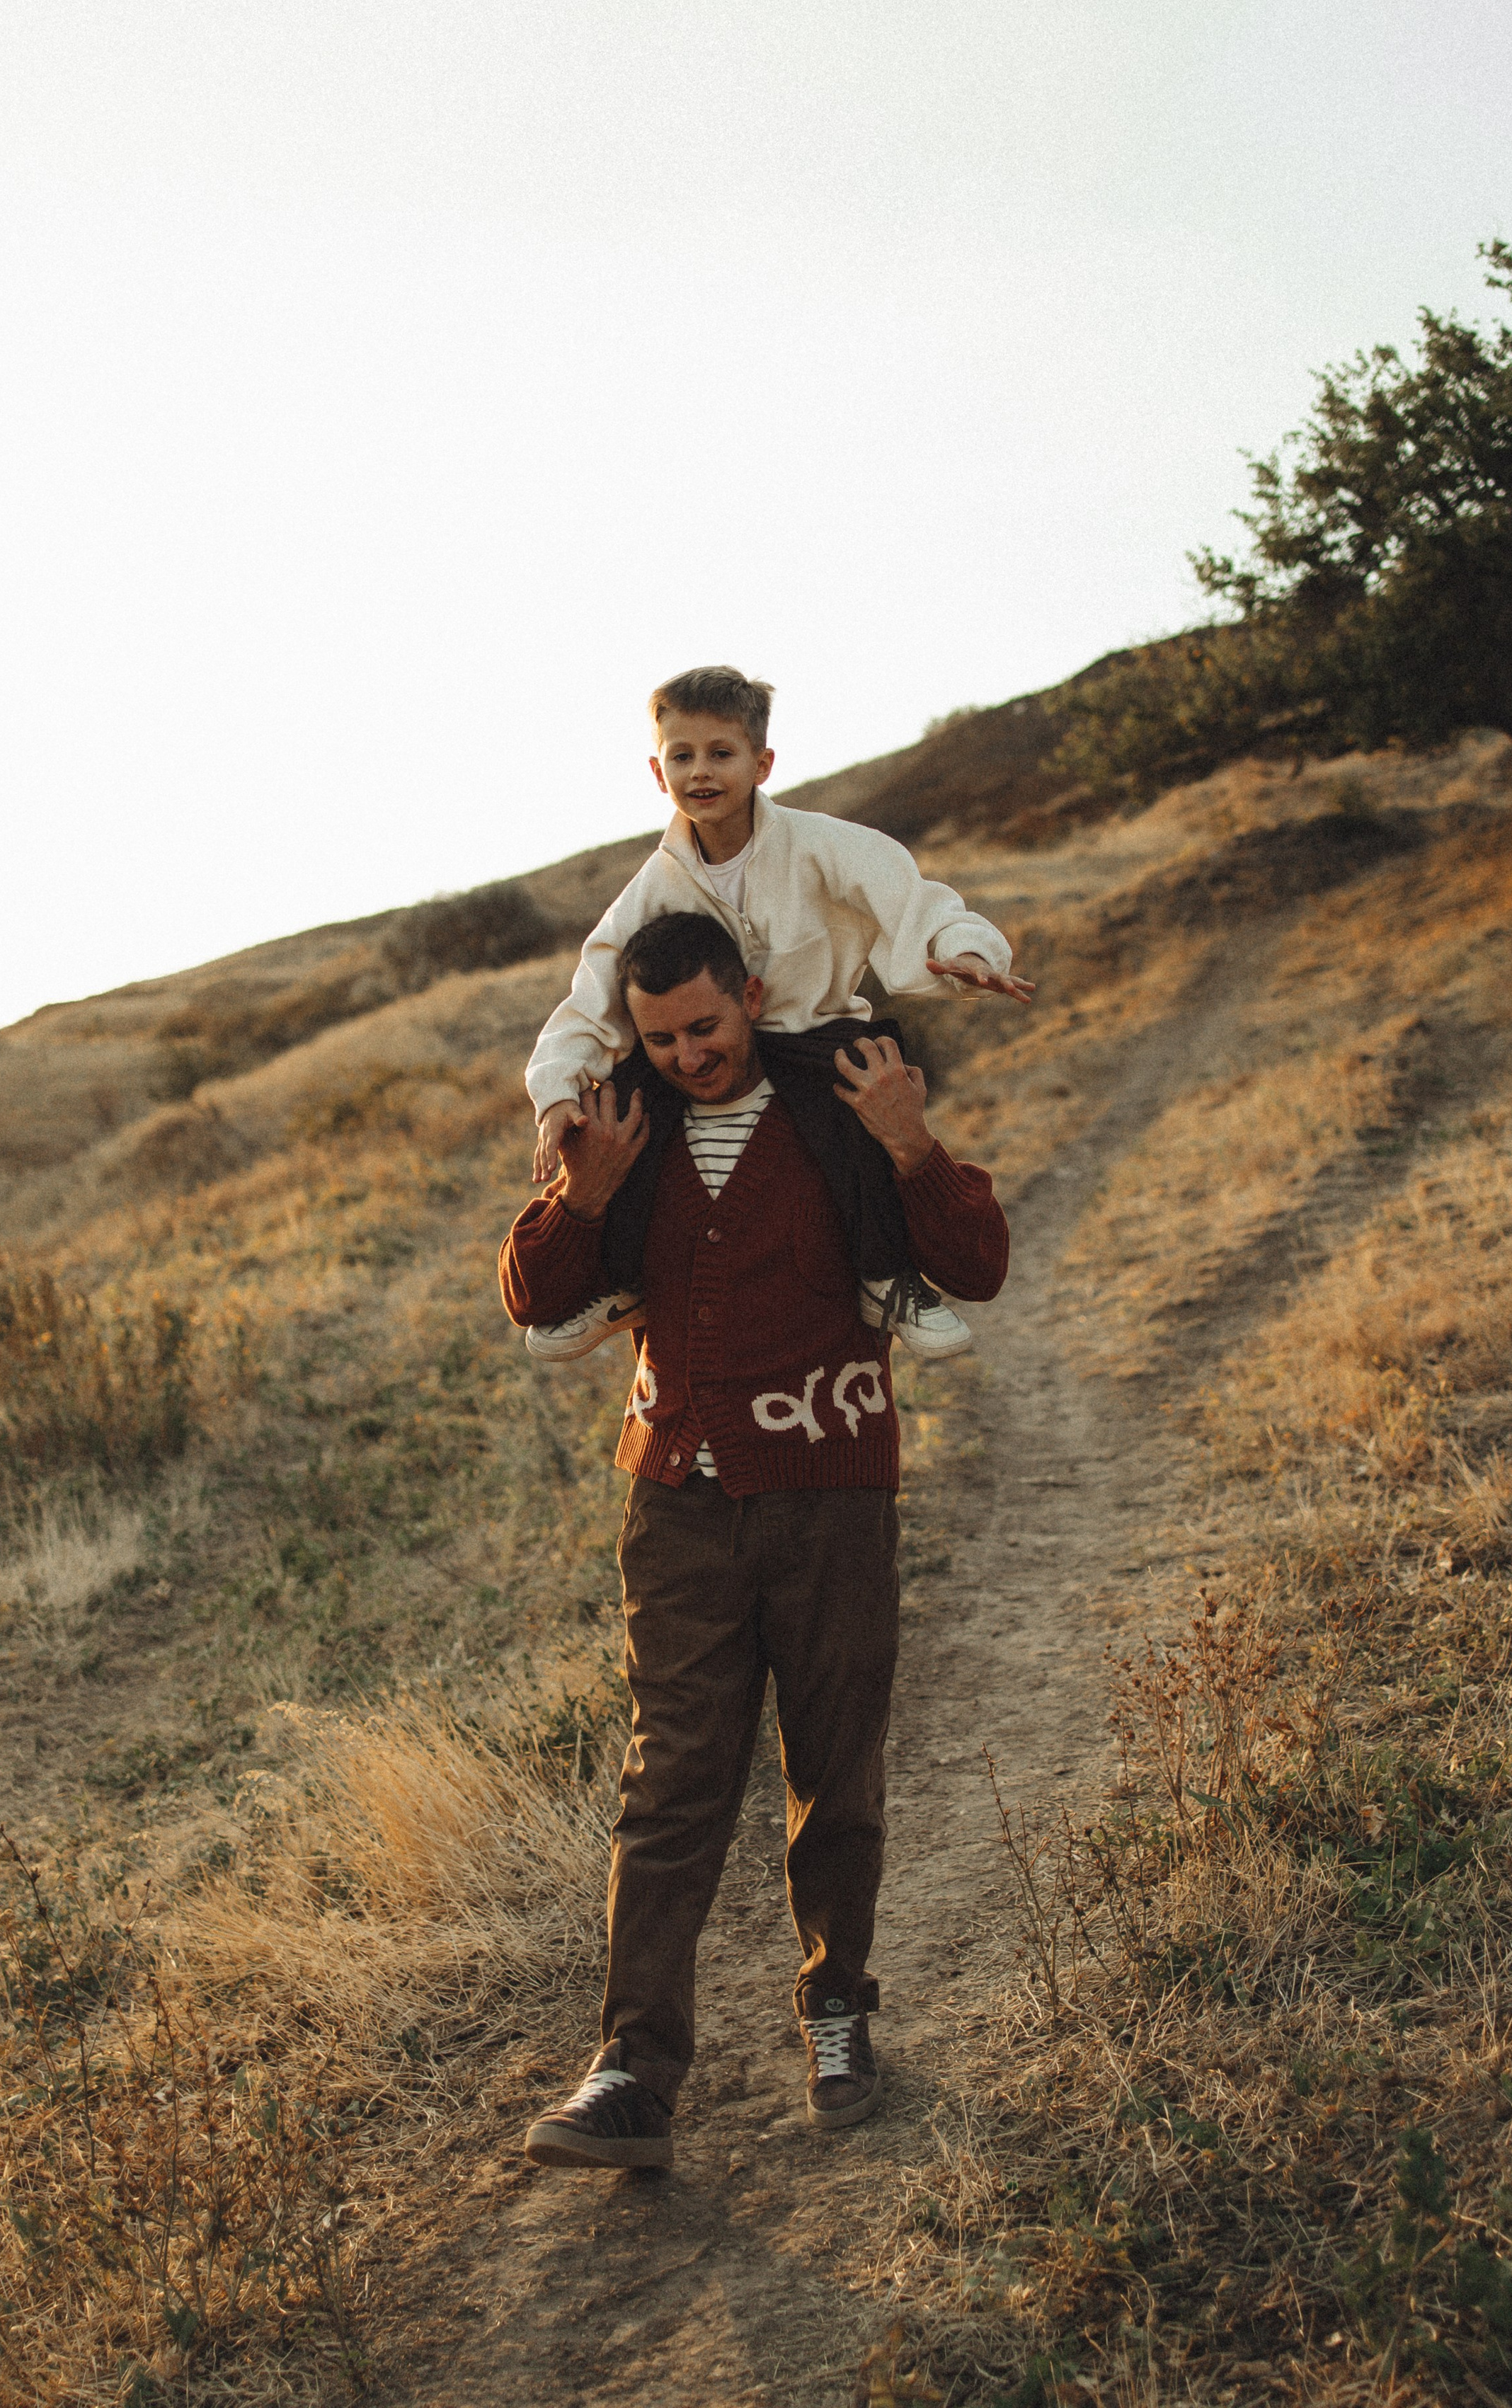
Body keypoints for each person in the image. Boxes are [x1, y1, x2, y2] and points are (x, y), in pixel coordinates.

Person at [498, 910, 1010, 2169]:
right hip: (677, 1505)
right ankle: (632, 2070)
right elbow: (532, 1293)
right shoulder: (626, 1125)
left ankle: (838, 2009)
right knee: (670, 1785)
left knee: (834, 1765)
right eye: (661, 1036)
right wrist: (587, 1192)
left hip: (832, 1491)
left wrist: (911, 1142)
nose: (687, 1055)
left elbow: (977, 1261)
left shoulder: (841, 1101)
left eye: (708, 1027)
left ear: (753, 998)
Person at [522, 664, 1031, 1367]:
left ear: (762, 763)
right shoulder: (655, 883)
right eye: (682, 755)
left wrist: (964, 949)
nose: (700, 772)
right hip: (711, 1041)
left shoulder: (825, 845)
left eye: (721, 753)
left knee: (857, 1107)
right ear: (656, 769)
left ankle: (885, 1278)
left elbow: (913, 901)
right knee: (630, 1107)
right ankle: (623, 1283)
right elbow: (595, 988)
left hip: (815, 1030)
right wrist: (555, 1094)